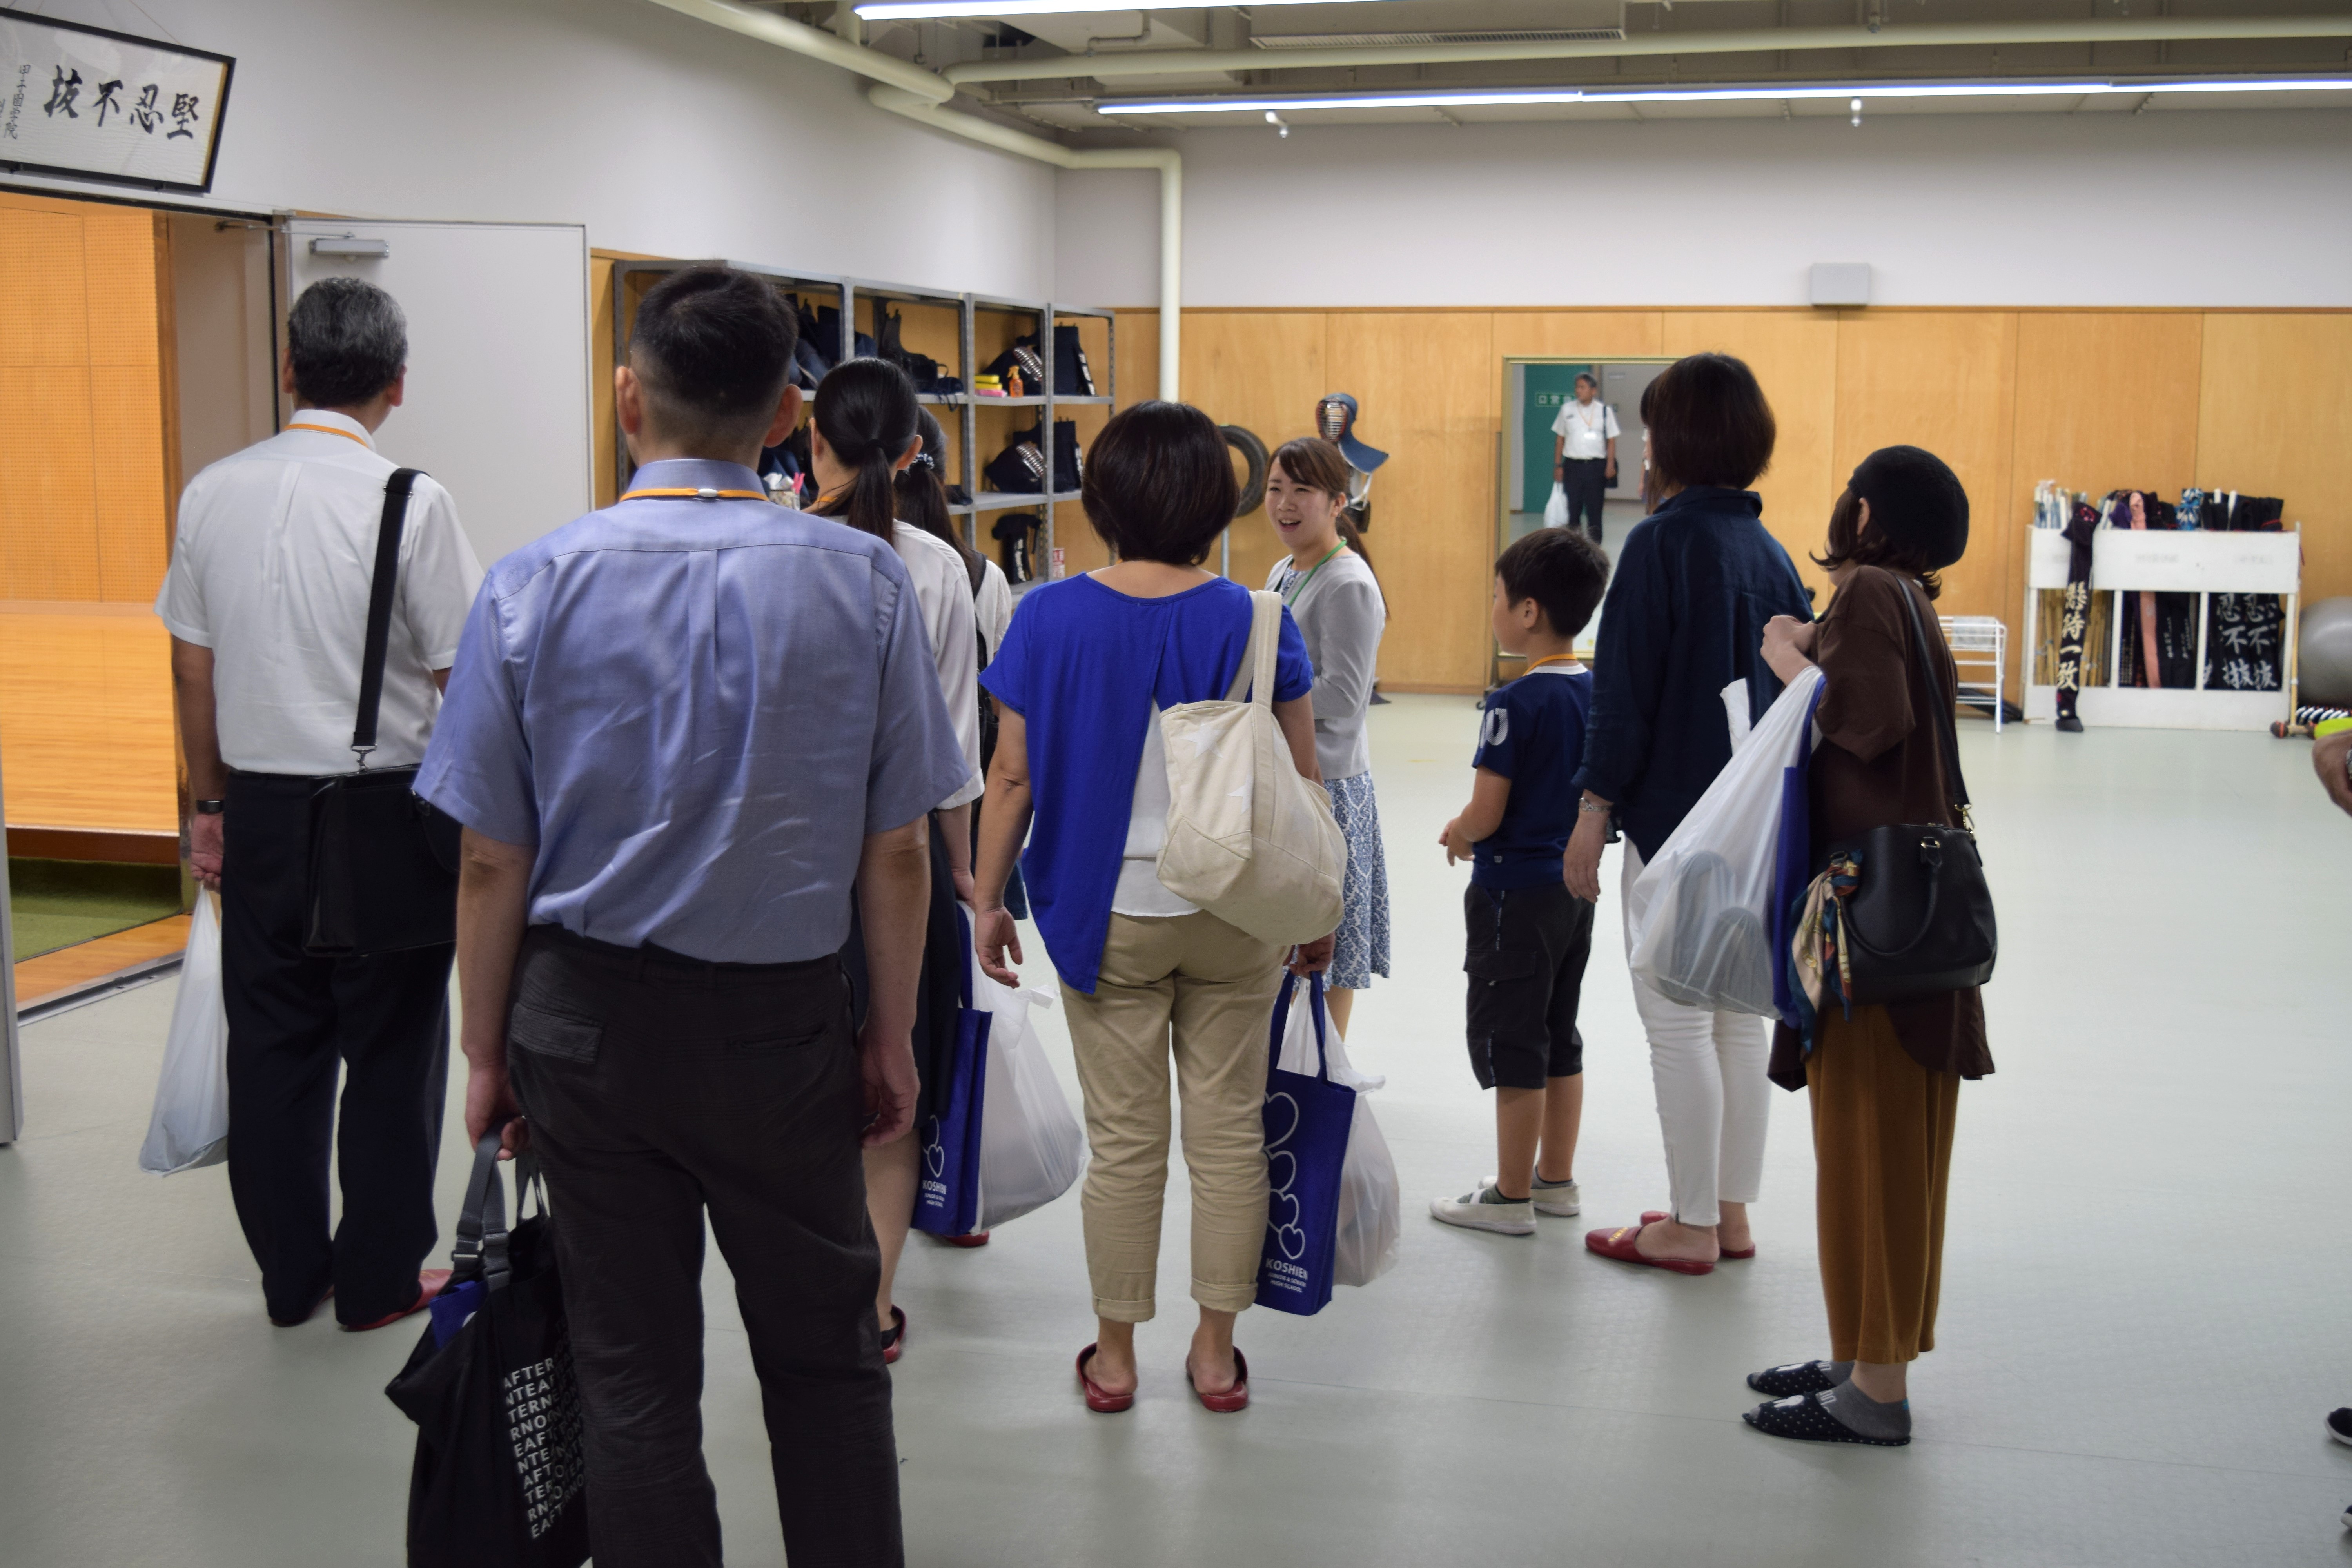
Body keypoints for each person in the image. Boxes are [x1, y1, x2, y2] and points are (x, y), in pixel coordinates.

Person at [419, 266, 967, 1566]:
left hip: (584, 1025)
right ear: (785, 415)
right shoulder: (866, 582)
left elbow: (491, 860)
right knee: (827, 1362)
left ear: (629, 399)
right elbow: (898, 848)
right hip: (784, 1025)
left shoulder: (531, 584)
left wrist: (486, 1050)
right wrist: (890, 1037)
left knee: (631, 1373)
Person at [971, 400, 1330, 1416]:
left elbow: (1011, 777)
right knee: (1228, 1136)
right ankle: (1214, 1355)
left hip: (1105, 913)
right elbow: (1305, 784)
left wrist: (987, 899)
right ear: (1217, 505)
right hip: (1238, 910)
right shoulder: (1259, 618)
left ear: (1104, 500)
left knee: (1126, 1144)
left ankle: (1117, 1356)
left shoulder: (1048, 616)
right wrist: (1318, 912)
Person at [155, 277, 483, 1332]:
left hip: (257, 810)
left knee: (272, 1050)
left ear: (290, 368)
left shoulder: (210, 492)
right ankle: (379, 1281)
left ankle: (291, 1279)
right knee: (392, 1053)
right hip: (387, 815)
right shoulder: (411, 501)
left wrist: (210, 806)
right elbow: (464, 681)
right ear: (398, 383)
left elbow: (193, 668)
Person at [1741, 445, 1993, 1447]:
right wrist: (1818, 638)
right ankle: (1862, 1352)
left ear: (1867, 513)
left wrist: (1791, 658)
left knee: (1874, 1151)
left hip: (1873, 935)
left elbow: (1870, 718)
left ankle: (1876, 1391)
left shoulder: (1875, 593)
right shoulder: (1903, 601)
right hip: (1905, 928)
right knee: (1875, 1151)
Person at [1565, 351, 1813, 1274]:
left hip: (1675, 820)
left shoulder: (1660, 545)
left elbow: (1622, 695)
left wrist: (1593, 809)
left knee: (1676, 1019)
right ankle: (1730, 1214)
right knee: (1735, 1018)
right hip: (1755, 826)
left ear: (1674, 440)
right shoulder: (1772, 554)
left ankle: (1691, 1224)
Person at [807, 359, 988, 1349]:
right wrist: (966, 875)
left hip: (787, 866)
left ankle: (804, 1299)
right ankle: (871, 1307)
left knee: (797, 1093)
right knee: (893, 1087)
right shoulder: (938, 569)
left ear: (810, 441)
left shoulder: (776, 550)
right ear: (917, 452)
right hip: (903, 864)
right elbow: (952, 751)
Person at [1430, 526, 1610, 1235]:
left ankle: (1510, 1198)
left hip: (1514, 896)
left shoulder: (1513, 702)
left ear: (1528, 611)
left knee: (1514, 1039)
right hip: (1573, 892)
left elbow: (1487, 810)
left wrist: (1459, 831)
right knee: (1559, 1030)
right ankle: (1554, 1180)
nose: (1494, 608)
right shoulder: (1597, 692)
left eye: (1497, 596)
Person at [1262, 437, 1388, 1036]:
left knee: (1331, 950)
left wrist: (1266, 696)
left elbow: (1345, 695)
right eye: (1275, 489)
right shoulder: (1284, 570)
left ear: (1339, 502)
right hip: (1287, 775)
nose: (1285, 504)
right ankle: (1286, 1063)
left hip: (1330, 785)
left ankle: (1325, 1068)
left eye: (1302, 490)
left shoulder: (1348, 583)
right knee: (1284, 937)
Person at [1550, 372, 1619, 543]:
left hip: (1596, 467)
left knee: (1595, 511)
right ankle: (1574, 548)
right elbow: (1560, 439)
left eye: (1583, 387)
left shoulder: (1604, 411)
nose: (1578, 391)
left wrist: (1610, 465)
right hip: (1573, 467)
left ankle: (1595, 548)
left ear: (1593, 391)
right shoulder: (1567, 410)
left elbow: (1611, 440)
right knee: (1573, 510)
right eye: (1577, 387)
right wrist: (1558, 465)